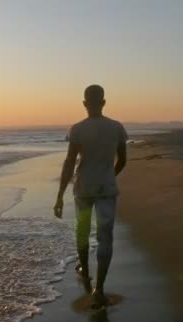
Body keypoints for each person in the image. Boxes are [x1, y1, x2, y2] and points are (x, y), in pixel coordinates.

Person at [53, 84, 128, 307]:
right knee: (106, 237)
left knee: (82, 230)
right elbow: (122, 160)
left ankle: (85, 269)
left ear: (84, 103)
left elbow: (69, 163)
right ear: (103, 102)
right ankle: (100, 289)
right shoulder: (116, 127)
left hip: (83, 187)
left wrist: (59, 195)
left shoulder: (77, 129)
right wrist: (108, 176)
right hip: (106, 188)